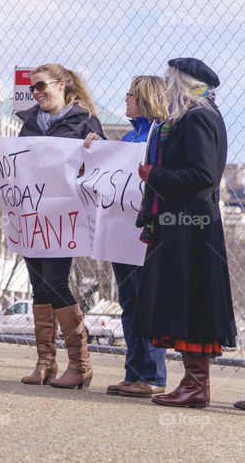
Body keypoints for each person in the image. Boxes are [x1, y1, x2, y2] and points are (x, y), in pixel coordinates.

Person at [0, 63, 104, 389]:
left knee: (57, 283)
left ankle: (80, 363)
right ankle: (45, 362)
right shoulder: (29, 124)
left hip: (63, 219)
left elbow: (100, 166)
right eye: (32, 88)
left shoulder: (84, 121)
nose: (36, 93)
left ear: (62, 85)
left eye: (42, 86)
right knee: (39, 287)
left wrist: (97, 146)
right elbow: (19, 169)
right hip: (31, 217)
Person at [132, 58, 236, 409]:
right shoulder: (202, 115)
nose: (164, 87)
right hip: (188, 222)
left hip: (190, 223)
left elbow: (203, 175)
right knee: (190, 298)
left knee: (190, 298)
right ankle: (195, 384)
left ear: (181, 83)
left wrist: (154, 175)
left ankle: (195, 384)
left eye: (168, 80)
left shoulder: (197, 118)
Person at [86, 76, 168, 398]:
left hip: (145, 232)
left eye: (130, 95)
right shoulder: (130, 135)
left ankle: (153, 375)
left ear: (145, 99)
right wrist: (98, 146)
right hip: (121, 232)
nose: (125, 100)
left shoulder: (159, 136)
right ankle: (134, 374)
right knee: (130, 302)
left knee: (146, 302)